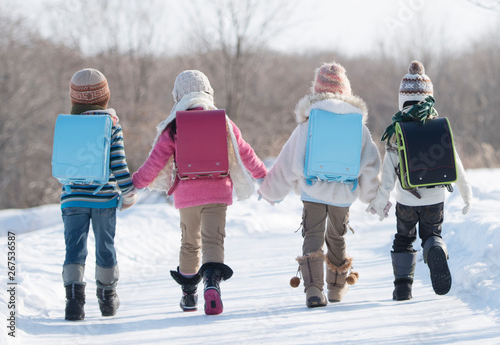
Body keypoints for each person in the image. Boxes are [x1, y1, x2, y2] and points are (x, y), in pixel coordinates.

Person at [132, 69, 267, 315]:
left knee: (189, 243)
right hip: (218, 192)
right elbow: (244, 152)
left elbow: (155, 162)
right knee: (213, 240)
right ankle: (212, 285)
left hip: (187, 195)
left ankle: (188, 295)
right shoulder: (223, 121)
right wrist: (263, 176)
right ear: (208, 91)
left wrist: (136, 183)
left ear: (178, 95)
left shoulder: (173, 127)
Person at [259, 62, 382, 308]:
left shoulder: (307, 125)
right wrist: (373, 198)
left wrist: (270, 190)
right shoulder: (358, 127)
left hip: (312, 191)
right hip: (344, 193)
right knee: (337, 236)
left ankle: (314, 290)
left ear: (317, 92)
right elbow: (370, 165)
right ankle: (336, 289)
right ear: (346, 91)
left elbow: (287, 162)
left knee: (312, 235)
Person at [368, 60, 472, 301]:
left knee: (403, 239)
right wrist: (467, 195)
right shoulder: (438, 128)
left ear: (402, 100)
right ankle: (435, 248)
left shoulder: (396, 133)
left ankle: (403, 288)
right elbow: (457, 166)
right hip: (435, 199)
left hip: (406, 200)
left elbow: (388, 177)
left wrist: (378, 203)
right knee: (432, 234)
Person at [61, 68, 137, 321]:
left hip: (72, 197)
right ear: (105, 96)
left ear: (74, 98)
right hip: (103, 198)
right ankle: (107, 298)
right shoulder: (111, 126)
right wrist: (128, 194)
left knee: (74, 248)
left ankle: (73, 301)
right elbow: (119, 166)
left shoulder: (66, 126)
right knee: (105, 246)